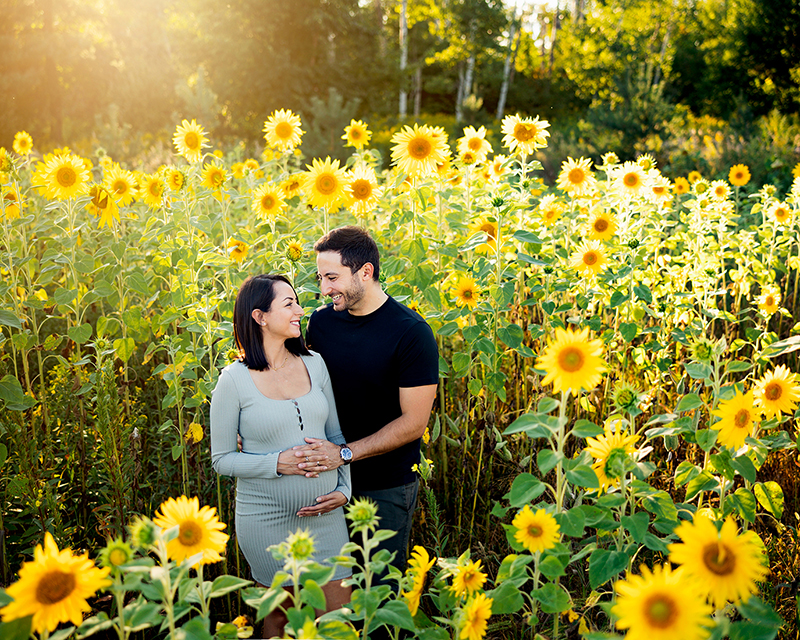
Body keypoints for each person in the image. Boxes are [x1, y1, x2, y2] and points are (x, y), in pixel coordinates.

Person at [210, 274, 351, 638]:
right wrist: (277, 463)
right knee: (280, 627)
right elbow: (222, 459)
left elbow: (335, 437)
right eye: (288, 304)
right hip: (266, 521)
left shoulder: (315, 363)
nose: (299, 311)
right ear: (259, 316)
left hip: (327, 518)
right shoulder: (234, 380)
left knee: (339, 625)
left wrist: (344, 490)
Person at [295, 226, 439, 582]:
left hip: (384, 486)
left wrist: (343, 453)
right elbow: (303, 387)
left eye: (332, 277)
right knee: (328, 591)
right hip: (325, 483)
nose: (324, 288)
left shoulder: (411, 333)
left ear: (365, 272)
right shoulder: (323, 322)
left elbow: (414, 423)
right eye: (320, 277)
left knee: (380, 594)